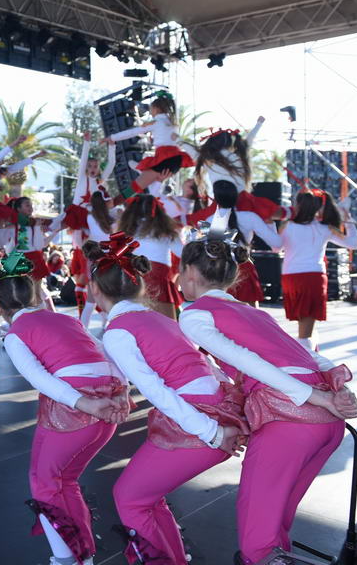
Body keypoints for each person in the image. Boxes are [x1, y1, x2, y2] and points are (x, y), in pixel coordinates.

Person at [177, 237, 357, 563]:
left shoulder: (194, 314)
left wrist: (314, 396)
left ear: (189, 271)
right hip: (327, 423)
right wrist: (336, 388)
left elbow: (246, 360)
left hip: (289, 418)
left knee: (258, 531)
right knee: (278, 515)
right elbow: (304, 353)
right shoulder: (251, 312)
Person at [85, 234, 247, 563]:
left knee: (129, 497)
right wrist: (227, 418)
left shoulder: (118, 331)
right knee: (146, 497)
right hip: (216, 410)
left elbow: (156, 391)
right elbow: (207, 367)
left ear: (94, 289)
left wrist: (213, 432)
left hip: (198, 423)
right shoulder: (161, 318)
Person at [0, 251, 129, 565]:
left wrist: (87, 403)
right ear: (36, 296)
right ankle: (82, 553)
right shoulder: (67, 319)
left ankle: (66, 558)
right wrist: (121, 392)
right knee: (62, 480)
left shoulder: (15, 335)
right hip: (105, 406)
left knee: (45, 484)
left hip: (77, 410)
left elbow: (40, 379)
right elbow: (104, 352)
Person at [276, 189, 357, 351]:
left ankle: (310, 353)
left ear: (297, 205)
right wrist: (347, 218)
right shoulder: (325, 228)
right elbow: (353, 244)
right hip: (313, 277)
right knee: (306, 329)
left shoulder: (287, 226)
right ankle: (307, 358)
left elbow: (276, 247)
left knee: (303, 323)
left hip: (290, 277)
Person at [63, 133, 116, 327]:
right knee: (86, 278)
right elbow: (83, 160)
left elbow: (111, 164)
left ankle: (99, 316)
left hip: (92, 229)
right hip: (80, 225)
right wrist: (86, 142)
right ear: (85, 168)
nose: (93, 169)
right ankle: (90, 317)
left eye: (96, 166)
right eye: (90, 166)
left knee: (95, 280)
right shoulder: (81, 179)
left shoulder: (100, 184)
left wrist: (112, 146)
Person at [102, 92, 194, 197]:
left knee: (138, 187)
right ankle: (142, 172)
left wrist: (112, 137)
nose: (150, 112)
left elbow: (132, 132)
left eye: (151, 109)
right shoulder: (173, 123)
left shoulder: (156, 123)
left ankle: (115, 201)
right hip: (176, 161)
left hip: (164, 159)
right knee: (151, 190)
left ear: (156, 109)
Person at [194, 118, 286, 222]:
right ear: (231, 143)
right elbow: (248, 142)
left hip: (221, 205)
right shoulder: (239, 157)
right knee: (278, 214)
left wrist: (179, 142)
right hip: (243, 203)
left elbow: (191, 150)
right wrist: (258, 124)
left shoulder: (208, 160)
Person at [118, 194, 184, 320]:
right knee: (168, 326)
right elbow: (184, 253)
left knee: (136, 324)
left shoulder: (127, 231)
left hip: (132, 282)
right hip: (158, 282)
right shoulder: (166, 232)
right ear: (158, 210)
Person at [2, 196, 59, 312]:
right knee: (26, 294)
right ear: (18, 209)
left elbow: (39, 245)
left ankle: (39, 316)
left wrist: (51, 231)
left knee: (34, 293)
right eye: (27, 205)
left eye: (31, 205)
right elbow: (11, 245)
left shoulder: (33, 224)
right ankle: (34, 316)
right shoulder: (16, 225)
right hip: (21, 258)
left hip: (29, 258)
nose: (31, 207)